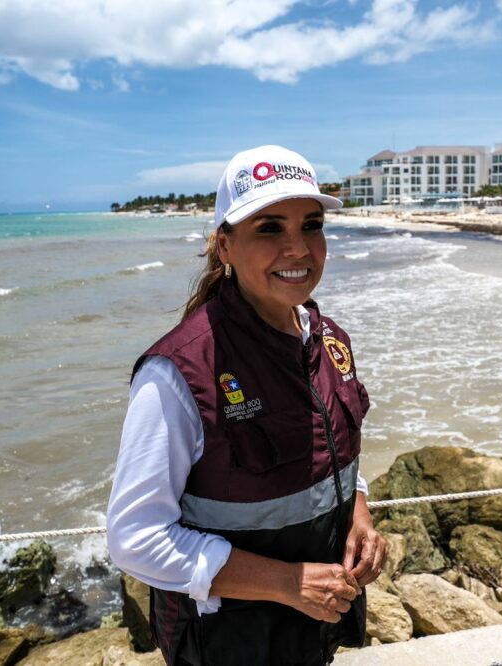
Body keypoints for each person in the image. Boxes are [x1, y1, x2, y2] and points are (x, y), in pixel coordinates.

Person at [107, 145, 386, 666]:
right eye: (269, 228)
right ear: (224, 246)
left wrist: (359, 515)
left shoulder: (329, 341)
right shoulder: (177, 373)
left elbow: (331, 449)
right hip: (231, 643)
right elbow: (134, 538)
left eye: (311, 225)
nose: (298, 248)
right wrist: (284, 583)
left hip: (315, 625)